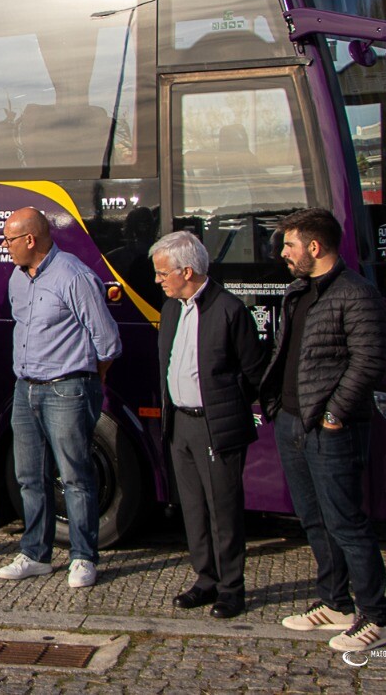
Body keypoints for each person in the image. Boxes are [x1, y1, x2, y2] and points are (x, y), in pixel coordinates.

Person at [262, 208, 386, 651]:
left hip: (330, 428)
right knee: (314, 520)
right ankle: (335, 604)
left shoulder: (356, 294)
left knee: (347, 524)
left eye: (289, 245)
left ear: (314, 248)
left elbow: (369, 360)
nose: (283, 253)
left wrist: (335, 413)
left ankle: (376, 616)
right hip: (293, 422)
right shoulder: (299, 291)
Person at [0, 206, 121, 589]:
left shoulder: (74, 275)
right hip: (25, 387)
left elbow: (108, 342)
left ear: (30, 239)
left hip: (68, 387)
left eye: (9, 239)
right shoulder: (18, 280)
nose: (5, 246)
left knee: (76, 477)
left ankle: (83, 558)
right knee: (30, 476)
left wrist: (85, 379)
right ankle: (36, 554)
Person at [150, 231, 268, 619]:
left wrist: (226, 404)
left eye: (162, 272)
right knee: (194, 508)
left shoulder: (229, 309)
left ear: (187, 270)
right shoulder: (171, 309)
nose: (157, 280)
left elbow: (253, 371)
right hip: (180, 424)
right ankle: (205, 579)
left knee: (224, 510)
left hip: (216, 424)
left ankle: (232, 587)